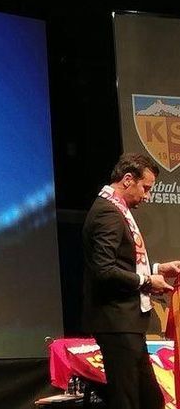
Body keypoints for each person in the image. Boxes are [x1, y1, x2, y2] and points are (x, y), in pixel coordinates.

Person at [82, 152, 180, 409]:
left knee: (150, 400)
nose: (147, 196)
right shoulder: (107, 213)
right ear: (127, 180)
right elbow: (104, 270)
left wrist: (158, 269)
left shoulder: (115, 209)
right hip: (116, 322)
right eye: (145, 188)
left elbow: (124, 262)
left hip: (127, 324)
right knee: (127, 400)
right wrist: (147, 281)